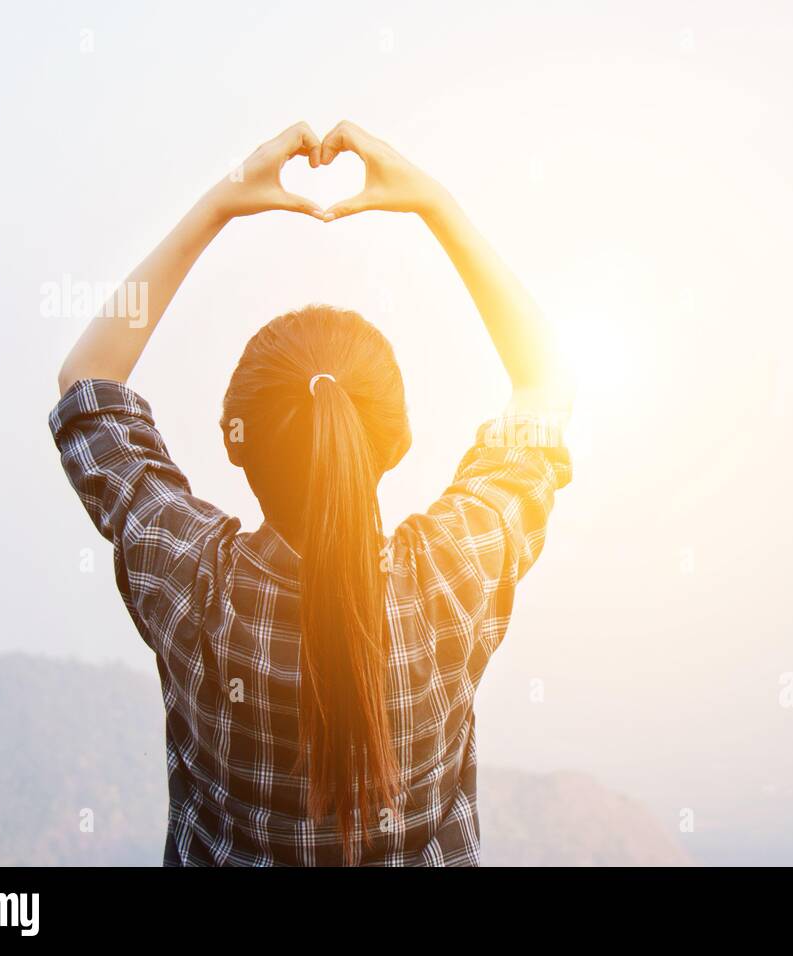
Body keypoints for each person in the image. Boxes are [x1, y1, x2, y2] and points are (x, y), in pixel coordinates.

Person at [50, 121, 572, 865]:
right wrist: (434, 204)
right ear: (396, 443)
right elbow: (546, 382)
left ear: (236, 440)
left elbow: (86, 384)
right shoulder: (453, 575)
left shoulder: (192, 582)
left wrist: (222, 204)